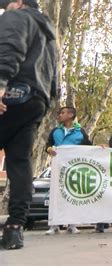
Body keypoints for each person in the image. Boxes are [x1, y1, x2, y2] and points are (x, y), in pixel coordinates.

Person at [0, 0, 57, 250]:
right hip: (37, 99)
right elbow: (55, 75)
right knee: (20, 160)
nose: (4, 10)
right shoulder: (50, 36)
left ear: (19, 2)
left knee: (19, 160)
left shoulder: (18, 17)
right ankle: (14, 227)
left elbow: (10, 47)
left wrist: (0, 84)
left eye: (6, 5)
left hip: (13, 91)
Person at [44, 107, 92, 235]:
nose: (59, 115)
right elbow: (47, 145)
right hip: (58, 168)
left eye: (62, 113)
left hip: (74, 170)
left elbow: (89, 148)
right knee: (55, 195)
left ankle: (72, 224)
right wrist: (49, 150)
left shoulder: (80, 132)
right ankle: (54, 225)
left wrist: (101, 148)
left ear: (71, 115)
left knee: (72, 195)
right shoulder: (55, 131)